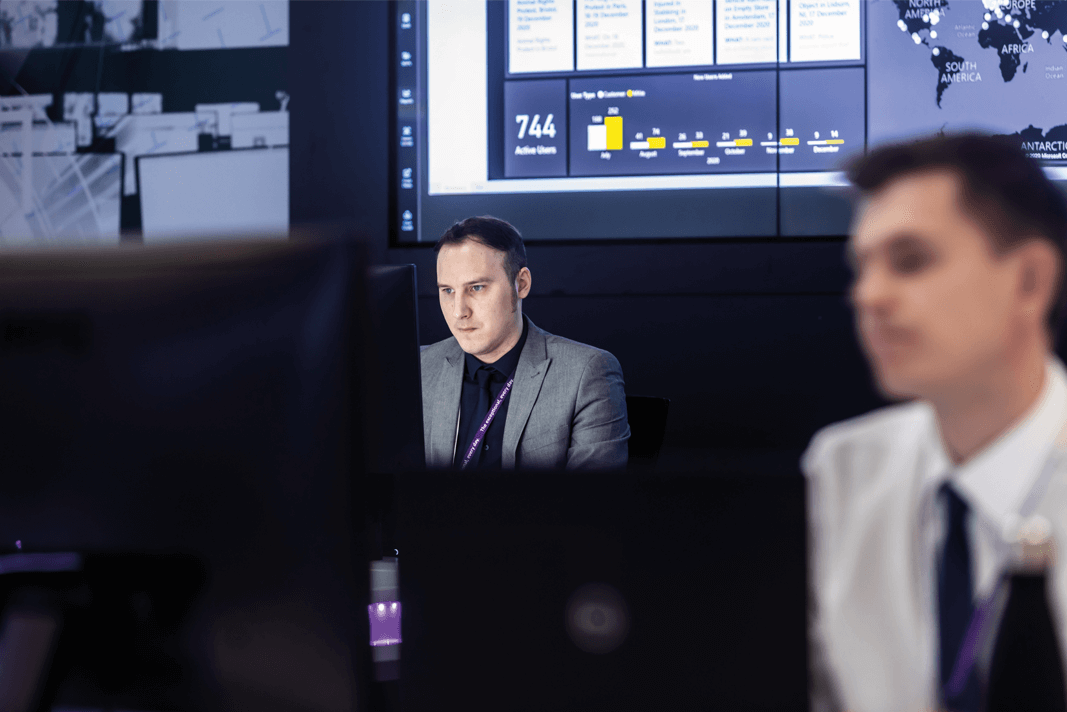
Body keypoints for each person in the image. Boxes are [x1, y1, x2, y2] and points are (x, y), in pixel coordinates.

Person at [802, 133, 1067, 712]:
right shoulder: (842, 469)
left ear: (1030, 281)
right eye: (862, 268)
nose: (868, 296)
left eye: (911, 261)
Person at [421, 215, 629, 470]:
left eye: (476, 288)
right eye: (448, 291)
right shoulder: (418, 368)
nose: (458, 312)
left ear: (521, 284)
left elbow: (591, 504)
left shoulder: (586, 374)